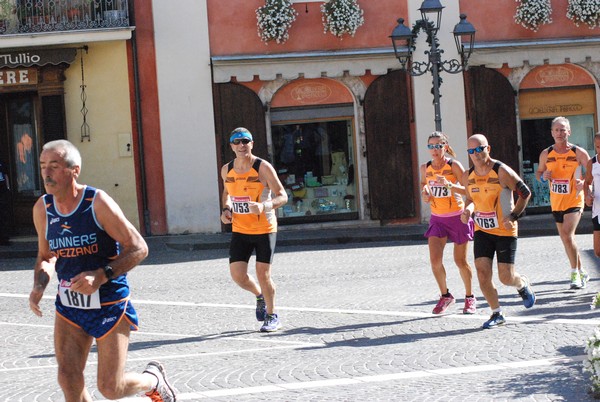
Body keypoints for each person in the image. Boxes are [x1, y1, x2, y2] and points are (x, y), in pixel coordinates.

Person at [28, 140, 176, 401]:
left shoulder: (96, 203)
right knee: (68, 378)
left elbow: (139, 248)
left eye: (54, 166)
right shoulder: (43, 208)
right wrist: (39, 285)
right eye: (42, 166)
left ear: (74, 170)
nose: (46, 173)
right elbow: (46, 255)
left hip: (110, 302)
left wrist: (101, 275)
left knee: (110, 387)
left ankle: (152, 380)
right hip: (71, 305)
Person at [461, 134, 536, 329]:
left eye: (480, 149)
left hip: (504, 230)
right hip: (482, 229)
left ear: (488, 148)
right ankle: (497, 313)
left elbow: (525, 193)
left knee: (505, 277)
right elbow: (470, 200)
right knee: (482, 273)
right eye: (471, 151)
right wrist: (467, 212)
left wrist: (513, 216)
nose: (476, 154)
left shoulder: (501, 171)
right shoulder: (467, 176)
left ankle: (521, 284)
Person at [220, 128, 288, 332]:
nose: (241, 145)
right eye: (236, 142)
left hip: (264, 228)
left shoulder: (263, 167)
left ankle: (272, 315)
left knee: (263, 273)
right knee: (238, 276)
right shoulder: (227, 169)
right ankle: (259, 296)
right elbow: (226, 193)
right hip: (240, 229)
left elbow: (283, 195)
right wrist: (225, 210)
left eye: (245, 141)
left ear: (252, 144)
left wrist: (265, 206)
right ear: (231, 146)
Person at [420, 132, 476, 315]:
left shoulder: (454, 166)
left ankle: (470, 297)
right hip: (438, 219)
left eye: (438, 146)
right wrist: (425, 193)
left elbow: (469, 191)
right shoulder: (425, 168)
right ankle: (446, 296)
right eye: (431, 146)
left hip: (457, 217)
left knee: (460, 261)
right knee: (435, 261)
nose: (434, 150)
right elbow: (424, 185)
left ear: (445, 146)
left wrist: (449, 186)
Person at [536, 116, 590, 289]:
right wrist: (543, 177)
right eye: (556, 130)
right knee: (567, 239)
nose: (560, 133)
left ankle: (574, 273)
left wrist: (584, 183)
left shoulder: (578, 152)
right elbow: (539, 173)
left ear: (569, 132)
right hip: (556, 203)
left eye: (563, 129)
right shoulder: (546, 153)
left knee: (567, 235)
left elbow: (592, 172)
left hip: (574, 200)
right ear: (552, 133)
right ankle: (582, 271)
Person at [584, 132, 600, 259]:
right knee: (598, 251)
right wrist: (588, 195)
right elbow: (587, 183)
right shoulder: (592, 163)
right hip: (598, 210)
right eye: (598, 147)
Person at [0, 158, 11, 245]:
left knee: (4, 214)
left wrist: (7, 188)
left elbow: (6, 175)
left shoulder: (2, 162)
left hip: (2, 190)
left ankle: (5, 237)